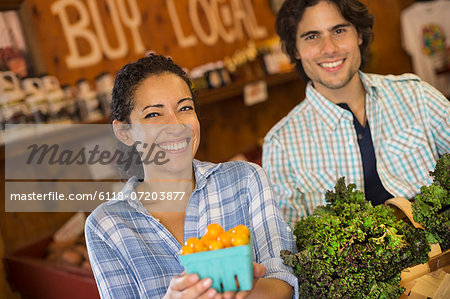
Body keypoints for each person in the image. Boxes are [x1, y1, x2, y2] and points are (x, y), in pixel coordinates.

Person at [85, 54, 297, 299]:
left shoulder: (245, 179)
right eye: (154, 114)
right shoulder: (106, 224)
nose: (176, 125)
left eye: (185, 108)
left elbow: (284, 284)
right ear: (124, 132)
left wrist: (247, 289)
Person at [262, 0, 450, 225]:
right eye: (312, 36)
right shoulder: (280, 145)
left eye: (339, 31)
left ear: (359, 35)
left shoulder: (416, 95)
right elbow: (290, 245)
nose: (329, 48)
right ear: (295, 49)